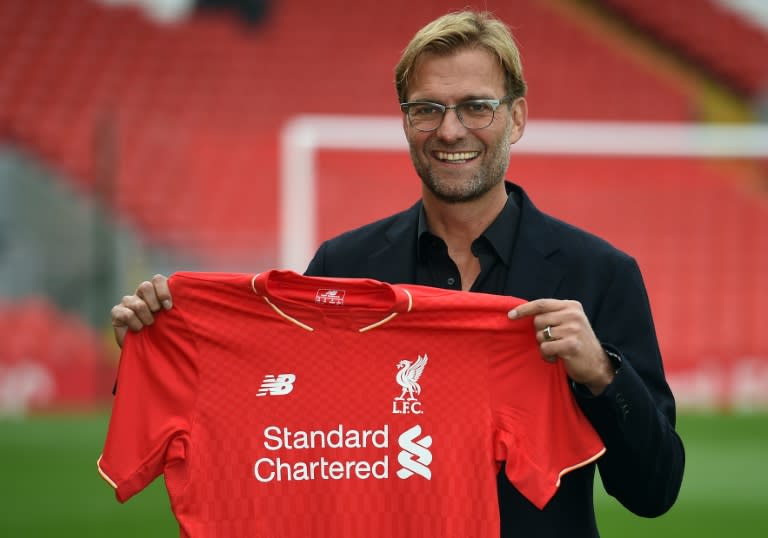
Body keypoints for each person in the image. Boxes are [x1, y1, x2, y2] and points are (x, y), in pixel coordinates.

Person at [110, 10, 684, 537]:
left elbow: (653, 492)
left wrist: (603, 376)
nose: (450, 130)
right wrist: (163, 355)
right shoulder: (343, 269)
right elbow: (280, 442)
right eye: (427, 109)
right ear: (405, 121)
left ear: (517, 118)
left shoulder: (598, 275)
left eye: (476, 107)